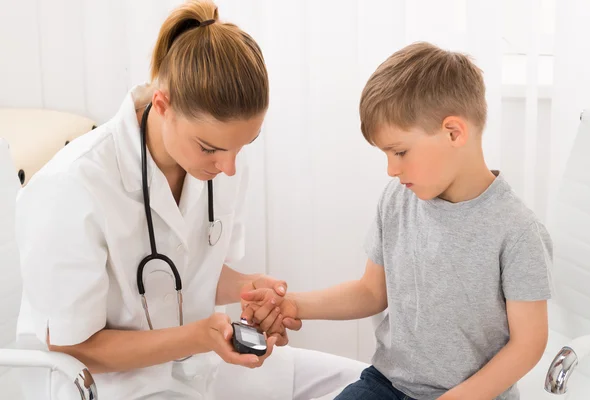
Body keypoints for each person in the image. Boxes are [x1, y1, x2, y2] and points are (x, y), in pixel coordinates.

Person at [15, 1, 366, 399]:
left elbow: (188, 271)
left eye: (243, 145)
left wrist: (251, 287)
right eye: (210, 148)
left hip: (198, 366)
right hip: (109, 384)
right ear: (162, 106)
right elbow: (71, 344)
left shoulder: (220, 163)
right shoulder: (72, 186)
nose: (229, 167)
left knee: (369, 384)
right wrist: (199, 336)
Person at [242, 42, 553, 400]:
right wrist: (293, 305)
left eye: (400, 152)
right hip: (388, 385)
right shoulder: (398, 199)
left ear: (454, 132)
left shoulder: (517, 232)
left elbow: (528, 344)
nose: (392, 169)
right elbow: (371, 292)